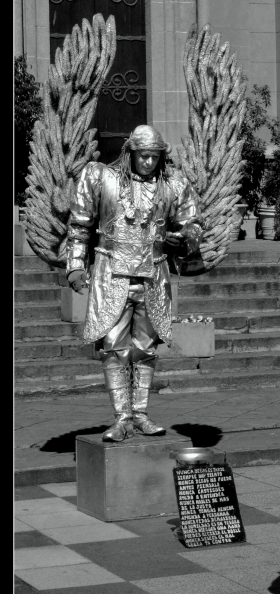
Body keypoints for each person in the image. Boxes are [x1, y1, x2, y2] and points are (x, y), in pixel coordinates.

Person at [66, 125, 203, 442]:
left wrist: (184, 238)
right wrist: (75, 265)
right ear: (130, 154)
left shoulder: (172, 185)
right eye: (143, 156)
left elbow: (191, 223)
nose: (148, 163)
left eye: (154, 157)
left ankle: (140, 413)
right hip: (112, 274)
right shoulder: (103, 178)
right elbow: (80, 223)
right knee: (113, 348)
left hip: (153, 276)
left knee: (145, 348)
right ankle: (121, 418)